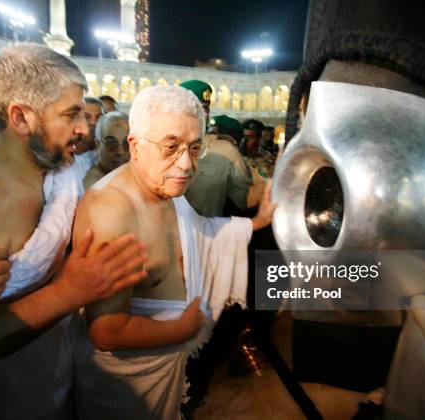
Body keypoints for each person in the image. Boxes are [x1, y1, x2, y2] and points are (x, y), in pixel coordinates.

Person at [0, 43, 148, 420]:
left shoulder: (53, 171)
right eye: (71, 114)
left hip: (48, 382)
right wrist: (68, 292)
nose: (83, 128)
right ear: (21, 118)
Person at [72, 85, 275, 420]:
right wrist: (182, 329)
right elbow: (105, 330)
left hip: (169, 370)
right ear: (135, 147)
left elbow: (201, 233)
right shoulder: (111, 210)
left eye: (195, 149)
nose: (186, 165)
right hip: (125, 392)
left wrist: (256, 223)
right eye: (171, 147)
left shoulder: (167, 187)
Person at [185, 114, 257, 217]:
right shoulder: (230, 150)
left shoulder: (187, 143)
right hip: (209, 226)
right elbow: (242, 200)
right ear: (235, 136)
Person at [83, 111, 130, 189]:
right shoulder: (93, 185)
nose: (120, 152)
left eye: (126, 143)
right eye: (111, 143)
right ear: (97, 144)